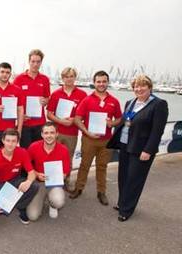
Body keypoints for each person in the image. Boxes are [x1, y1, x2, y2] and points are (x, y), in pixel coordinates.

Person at [107, 75, 168, 221]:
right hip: (125, 145)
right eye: (136, 86)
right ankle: (122, 202)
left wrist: (148, 150)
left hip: (141, 149)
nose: (139, 89)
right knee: (123, 177)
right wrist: (111, 123)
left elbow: (157, 131)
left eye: (142, 86)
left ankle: (126, 210)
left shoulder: (159, 104)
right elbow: (124, 121)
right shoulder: (130, 102)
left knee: (134, 179)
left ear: (149, 87)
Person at [69, 71, 122, 205]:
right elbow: (77, 119)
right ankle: (78, 188)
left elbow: (120, 119)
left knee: (102, 167)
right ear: (94, 83)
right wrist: (87, 132)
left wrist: (113, 123)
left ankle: (101, 192)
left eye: (104, 81)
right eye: (98, 81)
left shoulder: (114, 101)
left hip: (106, 140)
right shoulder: (87, 100)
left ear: (107, 82)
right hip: (89, 139)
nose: (101, 84)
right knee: (84, 165)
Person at [47, 67, 87, 191]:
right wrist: (61, 121)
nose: (69, 79)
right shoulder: (56, 94)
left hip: (72, 133)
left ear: (75, 77)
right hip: (56, 132)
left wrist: (74, 120)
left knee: (67, 158)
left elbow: (84, 116)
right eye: (66, 76)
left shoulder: (82, 95)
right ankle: (52, 182)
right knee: (53, 157)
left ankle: (66, 181)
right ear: (62, 78)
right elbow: (49, 114)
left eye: (71, 76)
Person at [0, 128, 39, 224]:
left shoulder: (22, 152)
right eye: (8, 140)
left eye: (13, 141)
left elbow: (31, 173)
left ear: (17, 142)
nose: (10, 144)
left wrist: (28, 182)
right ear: (3, 140)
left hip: (14, 181)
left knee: (34, 185)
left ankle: (21, 207)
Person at [27, 122, 71, 220]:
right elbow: (27, 166)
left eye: (52, 132)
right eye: (46, 133)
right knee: (32, 216)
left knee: (58, 201)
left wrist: (58, 177)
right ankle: (42, 198)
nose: (49, 136)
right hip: (39, 183)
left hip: (54, 184)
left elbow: (65, 172)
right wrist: (37, 174)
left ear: (57, 134)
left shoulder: (63, 150)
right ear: (42, 134)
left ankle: (52, 205)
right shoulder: (33, 147)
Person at [13, 49, 50, 149]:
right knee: (26, 153)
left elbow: (47, 98)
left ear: (41, 63)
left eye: (38, 62)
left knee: (38, 154)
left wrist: (45, 101)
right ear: (29, 61)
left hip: (40, 124)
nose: (35, 64)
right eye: (33, 61)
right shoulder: (19, 79)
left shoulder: (45, 79)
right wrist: (18, 116)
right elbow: (12, 101)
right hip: (24, 124)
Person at [0, 62, 24, 155]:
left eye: (7, 72)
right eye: (2, 72)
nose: (4, 74)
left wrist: (19, 130)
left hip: (10, 131)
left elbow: (20, 110)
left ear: (10, 74)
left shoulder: (17, 90)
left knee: (9, 159)